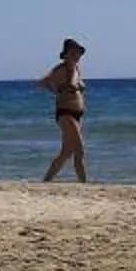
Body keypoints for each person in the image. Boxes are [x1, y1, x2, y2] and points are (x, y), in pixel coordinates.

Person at [38, 38, 90, 182]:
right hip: (65, 113)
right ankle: (84, 183)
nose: (76, 56)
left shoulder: (77, 70)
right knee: (79, 149)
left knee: (66, 152)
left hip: (77, 113)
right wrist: (57, 91)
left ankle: (47, 180)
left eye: (78, 53)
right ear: (66, 54)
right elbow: (43, 82)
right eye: (73, 53)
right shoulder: (60, 69)